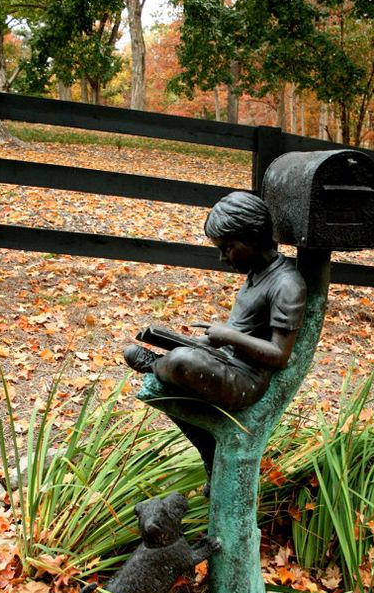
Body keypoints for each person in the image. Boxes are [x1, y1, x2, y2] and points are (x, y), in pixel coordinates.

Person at [124, 191, 307, 485]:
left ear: (253, 238)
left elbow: (279, 354)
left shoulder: (287, 284)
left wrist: (229, 335)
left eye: (228, 248)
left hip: (246, 379)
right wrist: (212, 340)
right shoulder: (256, 273)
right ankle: (206, 446)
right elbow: (243, 331)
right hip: (227, 358)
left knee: (183, 362)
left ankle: (158, 366)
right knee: (158, 355)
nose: (222, 258)